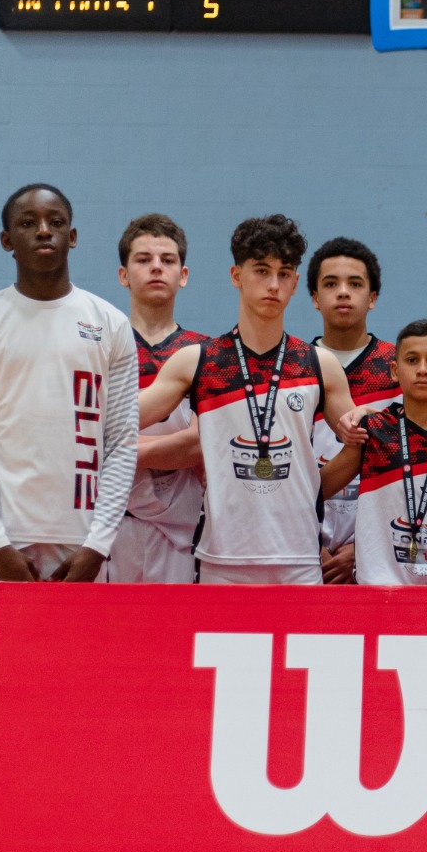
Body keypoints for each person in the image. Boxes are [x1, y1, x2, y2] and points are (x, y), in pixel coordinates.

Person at [0, 183, 140, 852]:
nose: (44, 231)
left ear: (75, 235)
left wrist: (95, 546)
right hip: (2, 556)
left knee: (82, 709)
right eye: (28, 223)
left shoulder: (108, 324)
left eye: (56, 221)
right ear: (7, 240)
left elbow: (122, 443)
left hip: (83, 554)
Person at [139, 214, 363, 585]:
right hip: (222, 560)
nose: (273, 285)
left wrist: (312, 486)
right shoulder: (198, 362)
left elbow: (360, 443)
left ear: (295, 283)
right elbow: (119, 420)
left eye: (284, 273)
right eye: (261, 270)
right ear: (236, 275)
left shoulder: (319, 364)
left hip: (298, 560)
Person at [321, 320, 427, 585]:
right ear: (395, 370)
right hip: (383, 591)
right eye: (412, 360)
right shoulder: (374, 432)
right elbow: (314, 490)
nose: (422, 369)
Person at [109, 214, 208, 584]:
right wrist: (171, 449)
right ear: (123, 275)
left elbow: (198, 445)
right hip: (109, 526)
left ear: (183, 275)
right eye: (143, 259)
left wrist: (117, 450)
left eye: (167, 260)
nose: (156, 267)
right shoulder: (99, 348)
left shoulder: (207, 353)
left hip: (183, 530)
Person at [306, 237, 399, 585]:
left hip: (381, 554)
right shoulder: (294, 370)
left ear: (372, 298)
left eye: (355, 284)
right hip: (304, 551)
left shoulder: (401, 369)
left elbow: (415, 470)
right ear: (315, 298)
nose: (343, 292)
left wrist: (363, 549)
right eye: (331, 284)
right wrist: (305, 544)